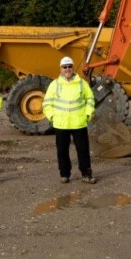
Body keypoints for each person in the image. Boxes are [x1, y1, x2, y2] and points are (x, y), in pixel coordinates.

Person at [43, 56, 96, 184]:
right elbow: (47, 103)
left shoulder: (82, 84)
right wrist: (52, 117)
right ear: (60, 69)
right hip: (61, 124)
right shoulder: (54, 85)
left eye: (69, 66)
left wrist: (88, 114)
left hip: (79, 123)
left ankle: (86, 174)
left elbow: (90, 99)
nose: (67, 69)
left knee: (83, 150)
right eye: (65, 67)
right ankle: (64, 174)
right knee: (62, 151)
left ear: (73, 68)